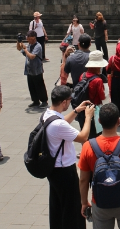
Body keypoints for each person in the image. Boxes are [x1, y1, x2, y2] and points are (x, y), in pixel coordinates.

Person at [78, 103, 120, 229]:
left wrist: (84, 202)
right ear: (118, 121)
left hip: (100, 203)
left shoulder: (88, 146)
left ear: (99, 121)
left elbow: (83, 179)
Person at [43, 85, 95, 229]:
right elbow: (83, 137)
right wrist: (88, 117)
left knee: (57, 206)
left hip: (53, 170)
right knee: (72, 209)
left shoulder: (47, 115)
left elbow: (62, 122)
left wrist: (77, 110)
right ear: (64, 102)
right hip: (65, 171)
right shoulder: (58, 125)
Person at [18, 30, 48, 108]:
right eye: (28, 39)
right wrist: (19, 42)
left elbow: (31, 56)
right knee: (31, 86)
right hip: (29, 69)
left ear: (34, 38)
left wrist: (25, 49)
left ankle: (44, 101)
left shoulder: (38, 46)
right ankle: (35, 101)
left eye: (31, 39)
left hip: (37, 69)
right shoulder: (29, 45)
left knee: (39, 85)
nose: (30, 41)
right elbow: (19, 48)